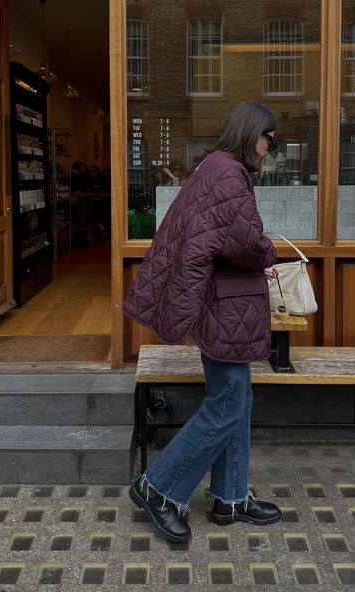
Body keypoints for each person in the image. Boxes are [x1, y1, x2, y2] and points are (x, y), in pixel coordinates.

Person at [123, 100, 281, 543]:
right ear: (253, 134)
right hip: (226, 306)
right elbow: (248, 242)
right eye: (269, 138)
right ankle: (157, 489)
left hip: (224, 303)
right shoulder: (229, 174)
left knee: (237, 399)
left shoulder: (216, 168)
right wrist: (270, 251)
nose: (270, 148)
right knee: (228, 402)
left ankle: (230, 497)